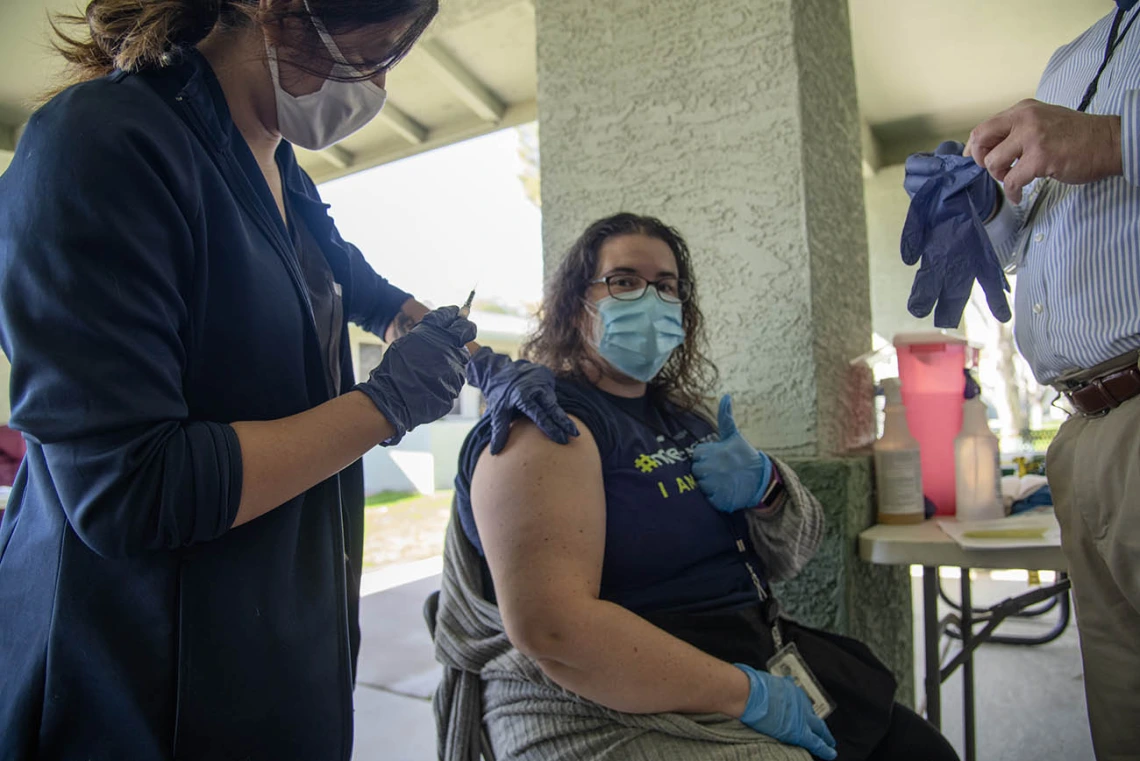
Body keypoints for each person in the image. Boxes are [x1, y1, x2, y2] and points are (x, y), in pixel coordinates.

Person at [0, 1, 574, 758]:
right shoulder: (98, 144)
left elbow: (351, 279)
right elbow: (130, 488)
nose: (373, 88)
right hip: (132, 686)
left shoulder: (276, 165)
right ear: (271, 7)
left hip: (273, 655)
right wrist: (385, 402)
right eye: (366, 56)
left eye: (390, 65)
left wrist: (470, 357)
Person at [432, 213, 960, 761]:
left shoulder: (687, 418)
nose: (651, 299)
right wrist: (746, 695)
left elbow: (788, 557)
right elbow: (554, 630)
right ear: (574, 305)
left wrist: (767, 488)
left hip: (756, 654)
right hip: (643, 692)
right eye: (624, 280)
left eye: (666, 286)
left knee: (922, 751)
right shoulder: (548, 423)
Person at [904, 3, 1140, 758]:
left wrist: (1112, 138)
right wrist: (986, 210)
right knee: (1122, 714)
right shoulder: (1073, 58)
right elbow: (1053, 224)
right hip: (1083, 432)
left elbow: (1101, 155)